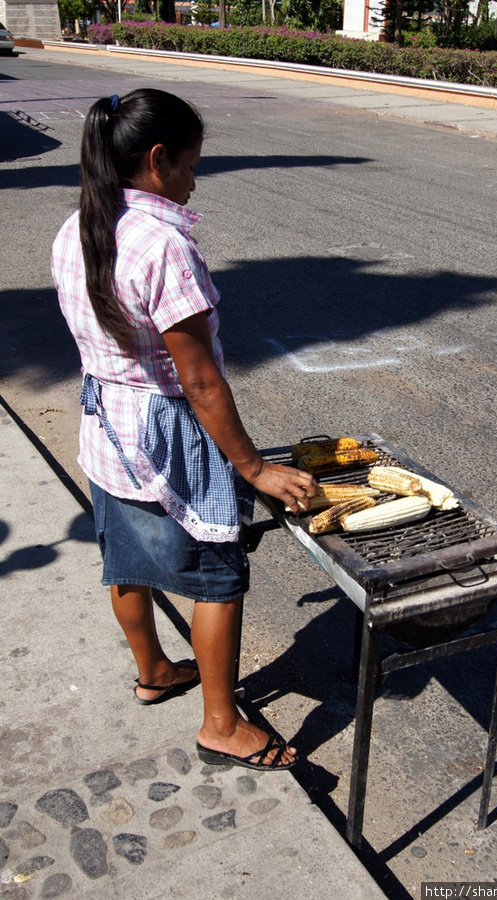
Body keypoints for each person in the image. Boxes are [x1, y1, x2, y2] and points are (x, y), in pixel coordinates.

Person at [51, 87, 317, 771]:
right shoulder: (162, 246)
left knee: (126, 562)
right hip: (164, 436)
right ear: (159, 158)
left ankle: (153, 671)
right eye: (193, 164)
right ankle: (222, 724)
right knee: (216, 577)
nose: (196, 178)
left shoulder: (78, 224)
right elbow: (198, 380)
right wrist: (255, 469)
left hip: (106, 427)